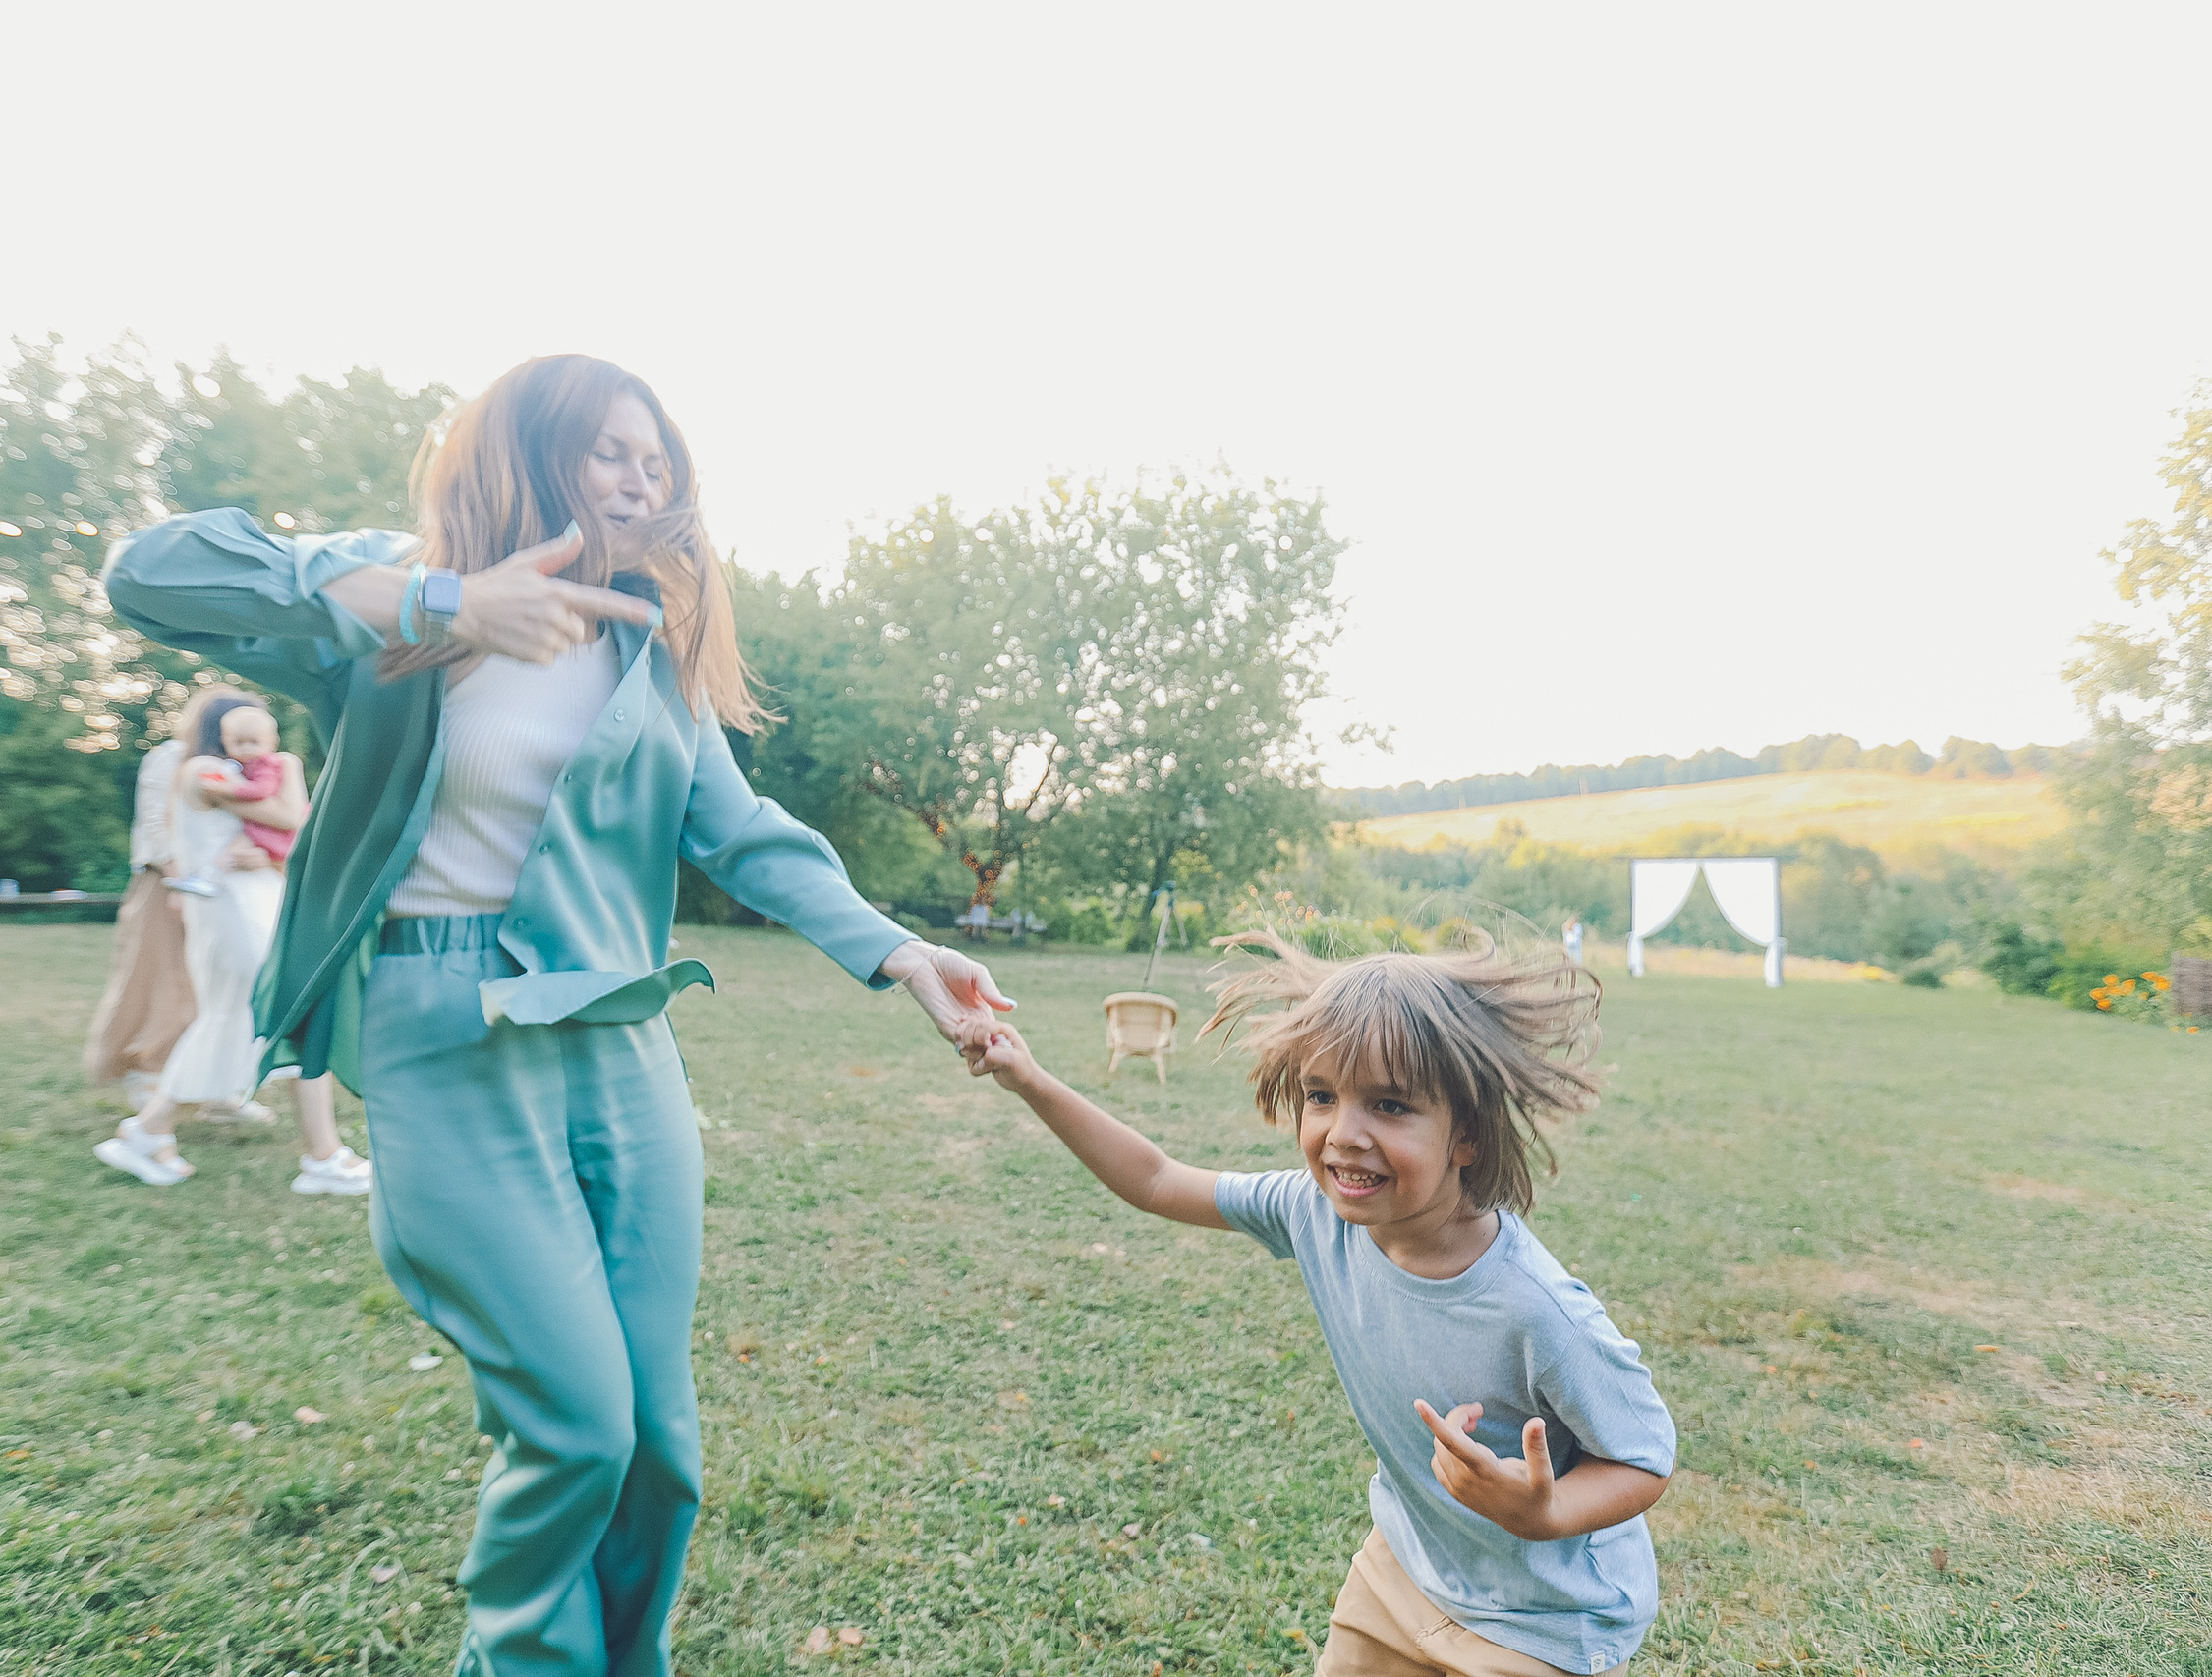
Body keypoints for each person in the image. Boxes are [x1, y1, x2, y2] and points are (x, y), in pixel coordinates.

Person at [99, 354, 1011, 1677]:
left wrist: (901, 954)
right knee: (577, 1421)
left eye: (660, 458)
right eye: (611, 450)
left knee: (656, 1447)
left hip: (621, 1031)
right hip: (443, 1022)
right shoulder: (393, 594)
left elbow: (742, 830)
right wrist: (442, 598)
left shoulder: (647, 641)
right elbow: (150, 571)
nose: (646, 478)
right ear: (529, 452)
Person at [965, 932, 1673, 1677]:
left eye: (1390, 1104)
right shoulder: (1314, 1211)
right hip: (1403, 1568)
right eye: (1322, 1095)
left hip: (1542, 1626)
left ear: (1466, 1133)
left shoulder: (1536, 1310)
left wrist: (1546, 1511)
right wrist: (1031, 1080)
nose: (1344, 1133)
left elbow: (1644, 1457)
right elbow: (1155, 1179)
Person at [92, 690, 371, 1197]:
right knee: (255, 1020)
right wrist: (288, 766)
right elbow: (292, 819)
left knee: (267, 1021)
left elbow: (286, 831)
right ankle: (150, 1133)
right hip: (230, 916)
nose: (254, 746)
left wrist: (267, 852)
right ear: (222, 735)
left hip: (253, 908)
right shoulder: (204, 774)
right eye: (244, 736)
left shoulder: (237, 777)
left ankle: (319, 1153)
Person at [82, 697, 202, 1109]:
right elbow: (157, 826)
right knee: (159, 981)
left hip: (216, 890)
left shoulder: (234, 768)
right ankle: (145, 1072)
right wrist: (179, 885)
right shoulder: (168, 758)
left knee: (212, 990)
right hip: (164, 884)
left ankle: (212, 1086)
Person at [167, 703, 306, 897]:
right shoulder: (209, 769)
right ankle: (207, 878)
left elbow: (276, 805)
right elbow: (287, 817)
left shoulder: (266, 765)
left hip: (253, 860)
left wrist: (227, 788)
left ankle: (207, 878)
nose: (247, 748)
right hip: (238, 883)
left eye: (254, 741)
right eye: (239, 741)